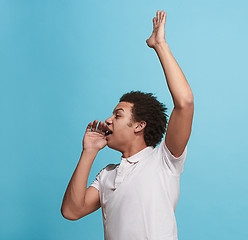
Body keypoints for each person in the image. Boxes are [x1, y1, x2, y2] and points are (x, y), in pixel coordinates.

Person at [61, 10, 194, 240]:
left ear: (139, 125)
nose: (108, 120)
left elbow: (185, 103)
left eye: (118, 115)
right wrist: (89, 152)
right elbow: (72, 211)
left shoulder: (163, 160)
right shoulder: (106, 176)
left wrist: (159, 45)